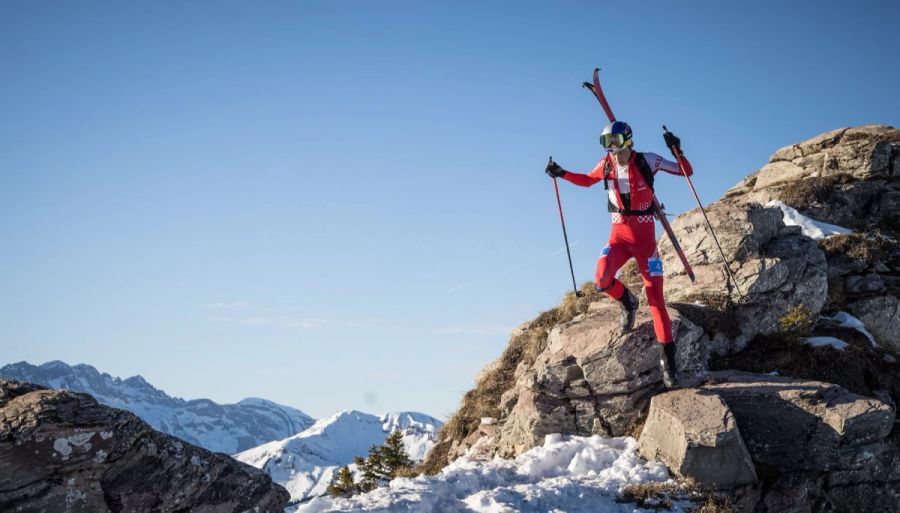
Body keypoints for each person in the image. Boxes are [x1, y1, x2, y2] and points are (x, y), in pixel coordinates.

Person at [545, 121, 692, 388]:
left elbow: (686, 172)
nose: (612, 149)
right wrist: (561, 172)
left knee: (657, 301)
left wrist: (676, 150)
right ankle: (627, 302)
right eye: (606, 144)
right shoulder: (605, 165)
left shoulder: (648, 160)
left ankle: (669, 364)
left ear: (627, 141)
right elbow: (587, 181)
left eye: (615, 142)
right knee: (601, 278)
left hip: (646, 244)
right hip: (619, 238)